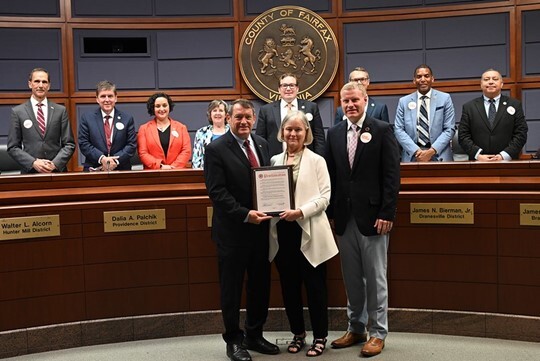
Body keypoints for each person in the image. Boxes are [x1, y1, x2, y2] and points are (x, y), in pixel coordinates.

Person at [325, 82, 400, 357]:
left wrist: (387, 212)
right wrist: (331, 214)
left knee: (376, 277)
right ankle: (355, 327)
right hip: (344, 218)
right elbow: (331, 178)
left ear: (365, 99)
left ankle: (378, 332)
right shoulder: (333, 134)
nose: (350, 105)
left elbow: (392, 177)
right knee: (352, 278)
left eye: (355, 100)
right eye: (346, 102)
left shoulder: (381, 130)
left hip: (374, 218)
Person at [204, 99, 279, 361]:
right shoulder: (215, 149)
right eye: (238, 118)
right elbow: (217, 192)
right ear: (228, 119)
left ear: (254, 118)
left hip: (261, 231)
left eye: (248, 117)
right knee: (232, 289)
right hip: (233, 232)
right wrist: (245, 214)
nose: (244, 122)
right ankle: (234, 341)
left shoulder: (262, 144)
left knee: (260, 285)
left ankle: (255, 334)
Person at [269, 110, 338, 357]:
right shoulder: (275, 160)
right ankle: (298, 334)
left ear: (306, 133)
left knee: (315, 287)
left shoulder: (317, 160)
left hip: (308, 230)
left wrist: (300, 211)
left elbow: (325, 197)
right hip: (284, 232)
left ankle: (320, 336)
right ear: (282, 133)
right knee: (289, 287)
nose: (293, 134)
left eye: (298, 129)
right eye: (289, 129)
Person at [7, 68, 75, 173]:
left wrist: (55, 164)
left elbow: (69, 144)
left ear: (49, 86)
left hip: (56, 172)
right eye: (37, 81)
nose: (40, 85)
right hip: (30, 173)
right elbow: (13, 147)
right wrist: (33, 162)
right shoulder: (18, 112)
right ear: (30, 84)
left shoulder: (60, 111)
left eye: (44, 82)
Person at [458, 69, 528, 161]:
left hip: (508, 162)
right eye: (486, 79)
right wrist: (478, 155)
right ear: (481, 85)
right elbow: (463, 135)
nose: (491, 82)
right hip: (478, 162)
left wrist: (504, 155)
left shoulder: (514, 104)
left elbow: (521, 133)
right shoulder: (469, 107)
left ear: (502, 84)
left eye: (495, 79)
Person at [394, 64, 456, 162]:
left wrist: (431, 151)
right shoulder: (404, 101)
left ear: (432, 79)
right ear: (414, 80)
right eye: (419, 77)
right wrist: (416, 151)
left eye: (426, 76)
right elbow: (398, 129)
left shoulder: (445, 99)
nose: (423, 79)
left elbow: (450, 129)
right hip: (413, 156)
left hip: (440, 155)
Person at [256, 73, 325, 157]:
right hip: (277, 162)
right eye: (284, 85)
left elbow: (319, 138)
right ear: (279, 89)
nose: (288, 89)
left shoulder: (311, 107)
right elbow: (260, 139)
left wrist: (318, 159)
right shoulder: (266, 110)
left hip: (306, 159)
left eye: (292, 85)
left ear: (297, 88)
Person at [78, 80, 137, 171]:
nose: (107, 100)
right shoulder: (87, 118)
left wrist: (115, 161)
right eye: (103, 96)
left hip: (121, 170)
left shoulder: (127, 119)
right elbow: (83, 143)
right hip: (95, 169)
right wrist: (102, 159)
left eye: (110, 96)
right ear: (97, 99)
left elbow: (131, 145)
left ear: (116, 98)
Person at [137, 92, 192, 169]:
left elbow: (186, 151)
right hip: (153, 174)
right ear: (153, 108)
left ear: (169, 107)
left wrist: (173, 167)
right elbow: (143, 153)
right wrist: (160, 166)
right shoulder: (144, 129)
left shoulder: (181, 127)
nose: (162, 109)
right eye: (157, 106)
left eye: (164, 105)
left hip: (177, 173)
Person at [191, 99, 230, 169]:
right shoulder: (201, 132)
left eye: (221, 110)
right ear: (210, 114)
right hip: (208, 174)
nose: (217, 113)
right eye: (214, 110)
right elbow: (196, 160)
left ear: (226, 115)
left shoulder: (233, 131)